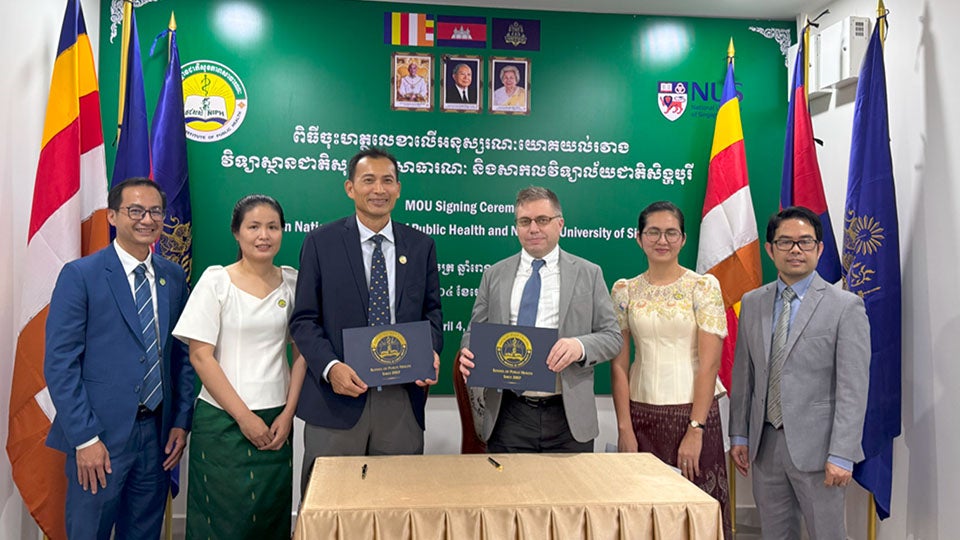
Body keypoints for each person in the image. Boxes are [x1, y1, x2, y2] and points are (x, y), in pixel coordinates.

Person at [44, 178, 195, 539]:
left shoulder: (173, 278)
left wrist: (180, 420)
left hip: (157, 436)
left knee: (143, 532)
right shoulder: (81, 275)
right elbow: (60, 363)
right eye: (136, 211)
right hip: (100, 437)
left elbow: (183, 357)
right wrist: (85, 439)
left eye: (155, 211)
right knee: (89, 531)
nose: (147, 219)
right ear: (113, 215)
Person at [291, 147, 443, 494]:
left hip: (400, 401)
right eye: (368, 180)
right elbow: (304, 320)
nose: (379, 189)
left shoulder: (421, 246)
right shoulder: (320, 243)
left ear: (399, 188)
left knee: (396, 505)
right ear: (350, 188)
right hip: (337, 400)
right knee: (330, 508)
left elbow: (432, 313)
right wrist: (331, 368)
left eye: (387, 180)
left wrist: (429, 352)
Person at [729, 206, 870, 540]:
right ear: (769, 248)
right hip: (765, 446)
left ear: (820, 249)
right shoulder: (752, 302)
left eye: (805, 242)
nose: (795, 249)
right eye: (785, 242)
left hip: (821, 451)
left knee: (828, 535)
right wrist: (739, 434)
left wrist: (842, 453)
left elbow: (853, 387)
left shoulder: (845, 306)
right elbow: (743, 375)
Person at [172, 195, 306, 539]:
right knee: (222, 521)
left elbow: (303, 352)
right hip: (222, 421)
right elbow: (200, 356)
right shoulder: (216, 281)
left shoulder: (293, 282)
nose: (264, 235)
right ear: (236, 233)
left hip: (276, 420)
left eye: (273, 227)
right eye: (254, 227)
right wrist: (244, 417)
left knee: (269, 517)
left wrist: (289, 413)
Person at [459, 186, 621, 453]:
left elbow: (612, 337)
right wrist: (468, 350)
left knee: (569, 494)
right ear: (516, 227)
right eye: (525, 221)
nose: (533, 228)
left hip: (568, 415)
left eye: (542, 220)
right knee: (511, 494)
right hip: (509, 413)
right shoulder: (494, 275)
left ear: (560, 224)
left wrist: (579, 346)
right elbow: (473, 332)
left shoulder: (589, 273)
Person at [609, 201, 731, 538]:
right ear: (639, 238)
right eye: (653, 232)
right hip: (641, 414)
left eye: (670, 233)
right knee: (644, 517)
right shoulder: (623, 290)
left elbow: (709, 365)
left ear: (683, 239)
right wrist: (624, 428)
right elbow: (618, 365)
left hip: (691, 415)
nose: (662, 240)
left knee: (695, 516)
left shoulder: (703, 287)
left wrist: (696, 429)